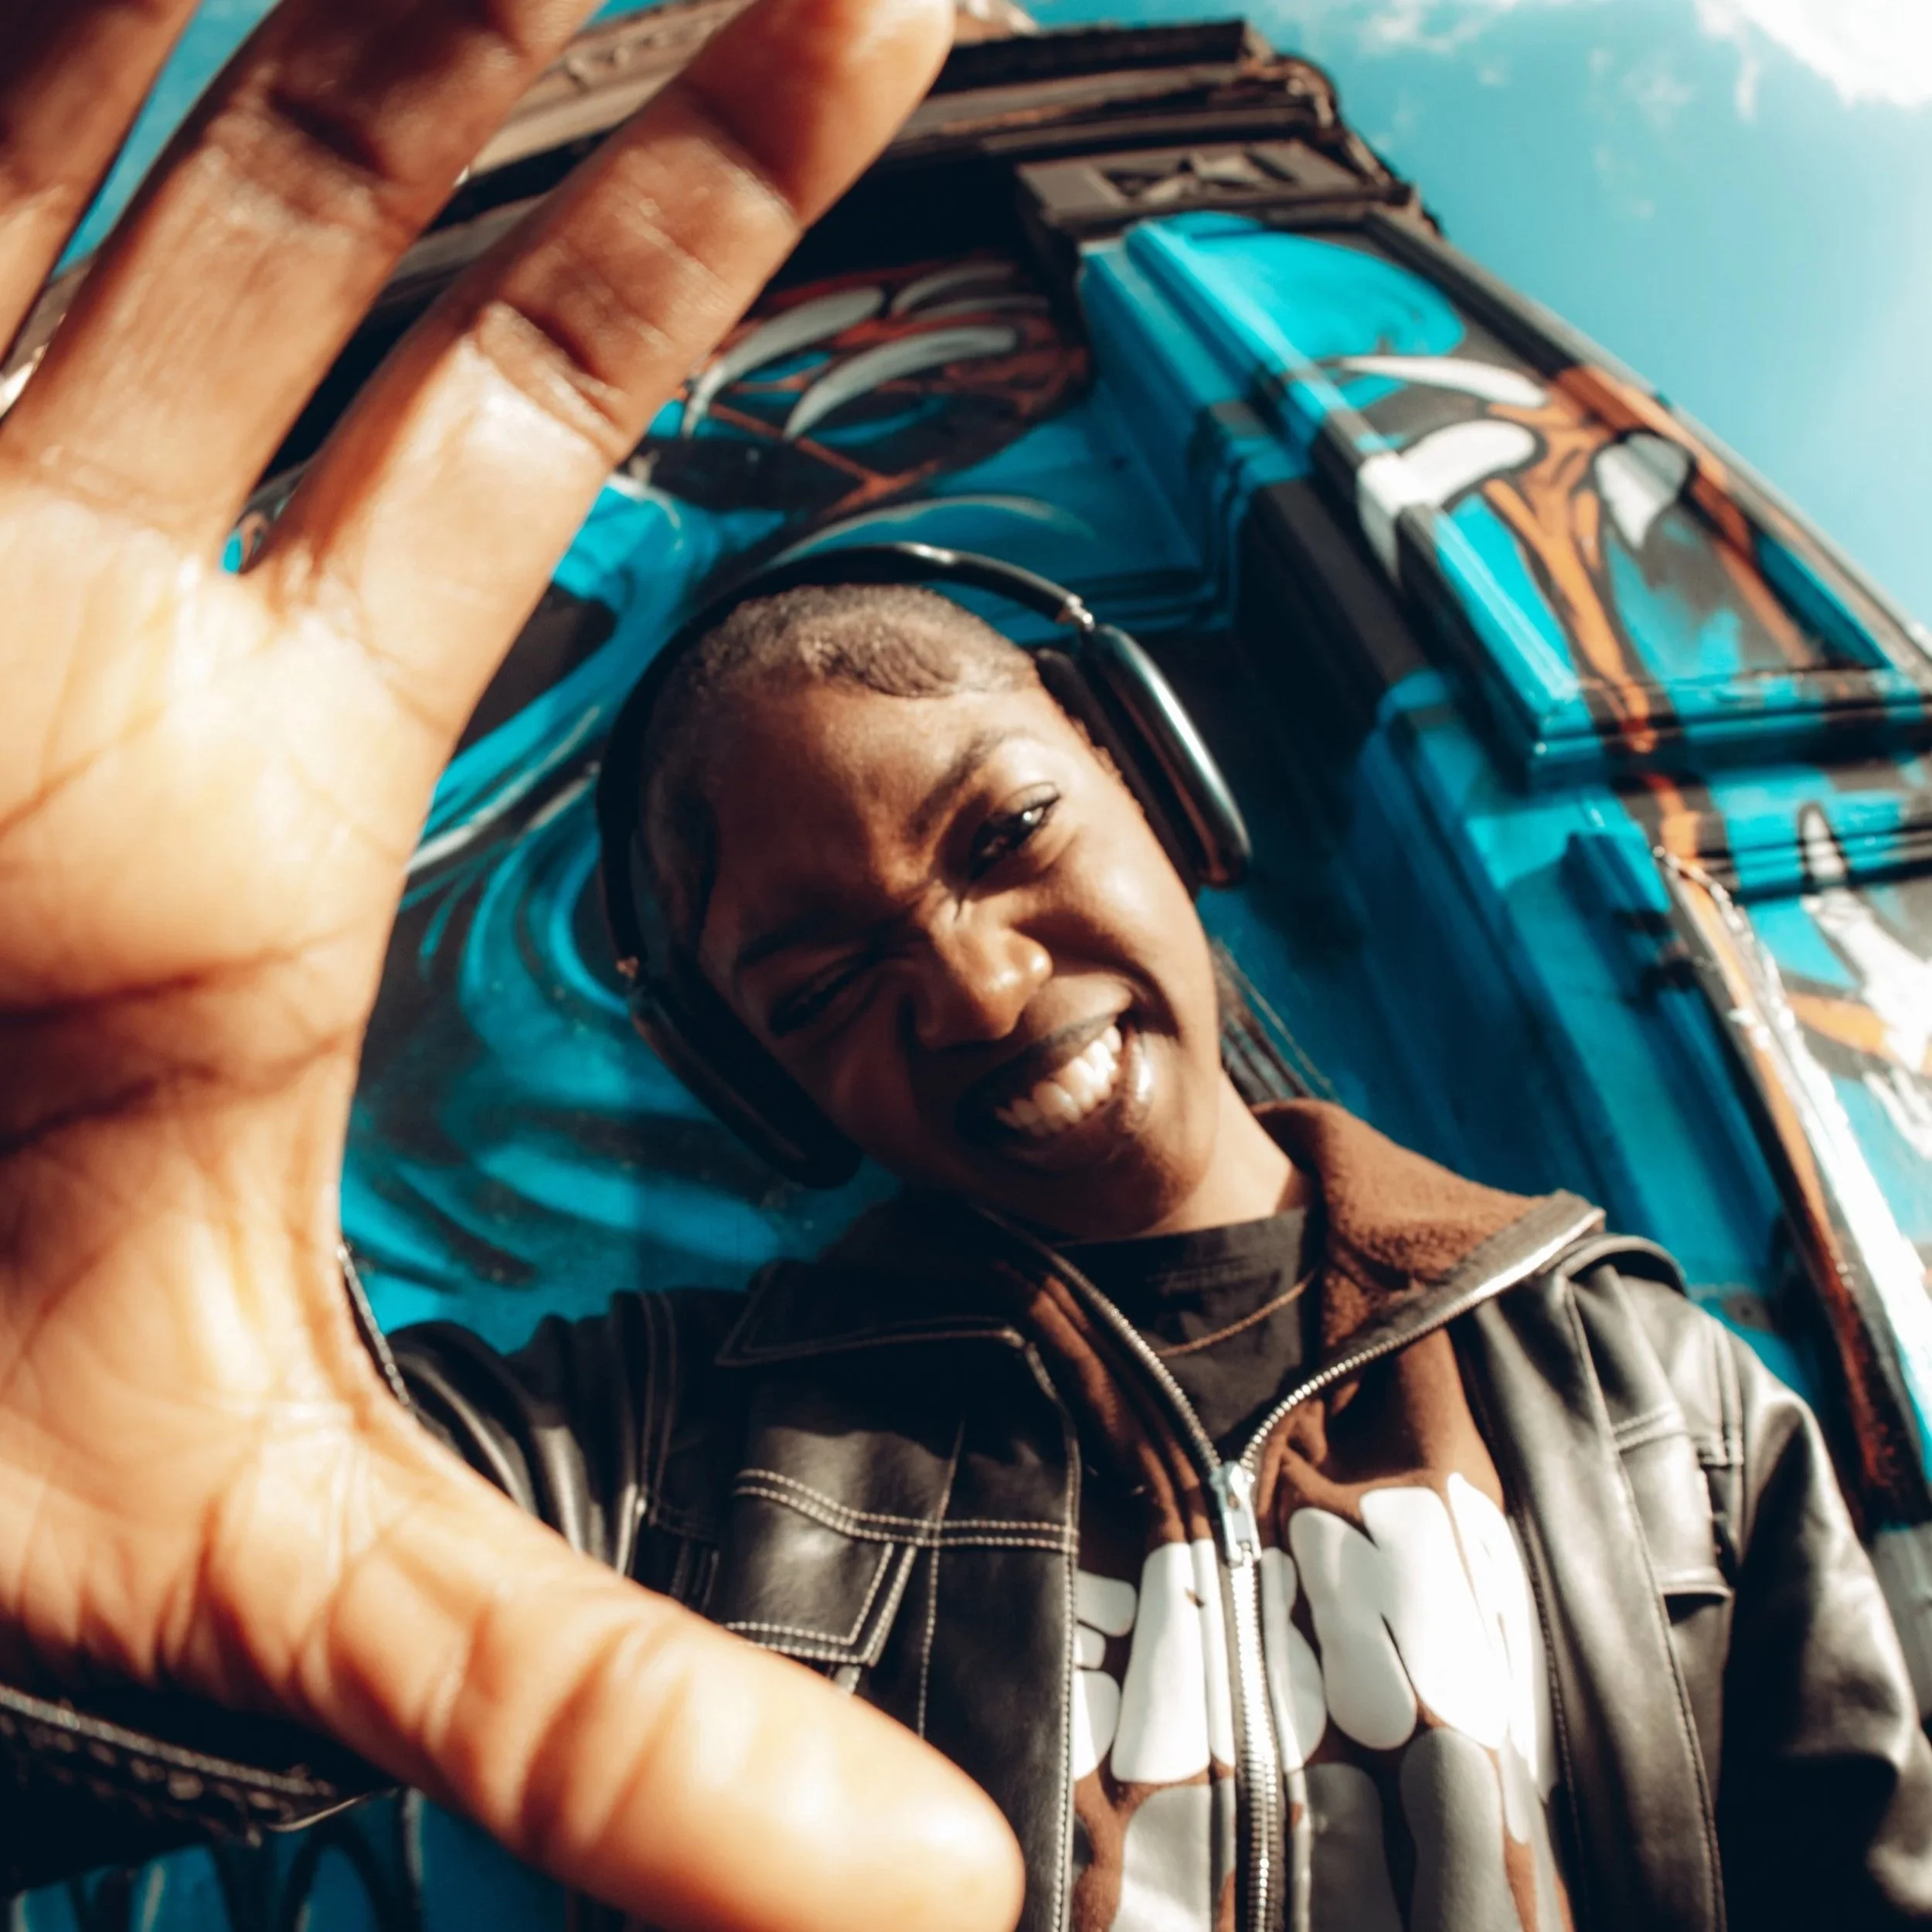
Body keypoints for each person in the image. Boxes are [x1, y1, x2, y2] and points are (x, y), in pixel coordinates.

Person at [0, 12, 1925, 1932]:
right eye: (821, 979)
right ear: (759, 1081)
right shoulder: (649, 1451)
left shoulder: (1651, 1387)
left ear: (1150, 784)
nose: (977, 986)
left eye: (1002, 838)